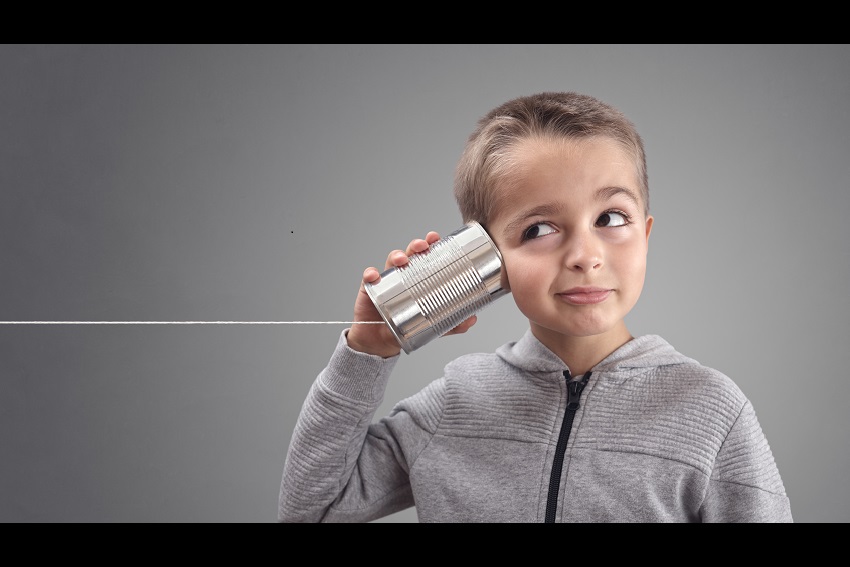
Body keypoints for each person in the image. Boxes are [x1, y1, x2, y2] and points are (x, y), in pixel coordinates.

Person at [277, 91, 793, 523]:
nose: (585, 257)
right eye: (539, 229)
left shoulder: (709, 410)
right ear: (485, 257)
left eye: (611, 217)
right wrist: (368, 351)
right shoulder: (452, 405)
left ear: (647, 234)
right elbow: (312, 509)